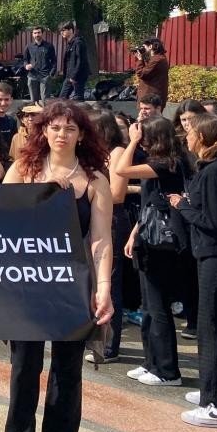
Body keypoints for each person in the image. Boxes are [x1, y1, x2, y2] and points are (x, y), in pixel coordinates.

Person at [1, 100, 114, 432]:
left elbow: (100, 240)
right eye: (55, 127)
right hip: (29, 283)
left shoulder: (95, 180)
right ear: (43, 130)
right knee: (24, 367)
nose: (61, 134)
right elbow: (1, 221)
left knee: (67, 371)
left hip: (72, 284)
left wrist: (104, 287)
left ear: (81, 135)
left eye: (70, 128)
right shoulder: (24, 168)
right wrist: (41, 189)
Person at [170, 114, 217, 429]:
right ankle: (214, 390)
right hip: (216, 256)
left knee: (211, 327)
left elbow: (212, 221)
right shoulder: (216, 168)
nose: (186, 136)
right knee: (214, 326)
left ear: (201, 137)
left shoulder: (216, 171)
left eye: (191, 132)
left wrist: (182, 205)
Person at [114, 117, 191, 387]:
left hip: (162, 243)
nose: (140, 137)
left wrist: (132, 140)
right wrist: (134, 232)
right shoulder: (163, 161)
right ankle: (152, 362)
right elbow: (151, 203)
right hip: (149, 235)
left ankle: (168, 370)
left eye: (144, 134)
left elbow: (121, 170)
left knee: (157, 306)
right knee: (149, 305)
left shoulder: (167, 163)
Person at [87, 109, 130, 365]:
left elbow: (117, 194)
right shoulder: (96, 154)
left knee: (110, 281)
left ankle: (110, 344)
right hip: (99, 219)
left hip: (113, 220)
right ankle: (95, 338)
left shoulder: (116, 153)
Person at [21, 27, 56, 104]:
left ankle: (46, 116)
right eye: (35, 33)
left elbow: (54, 61)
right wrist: (26, 65)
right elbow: (25, 59)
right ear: (32, 34)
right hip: (32, 75)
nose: (37, 34)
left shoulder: (49, 46)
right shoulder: (29, 46)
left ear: (42, 33)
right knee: (33, 101)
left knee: (45, 101)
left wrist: (51, 74)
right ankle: (34, 116)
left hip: (45, 76)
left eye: (39, 32)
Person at [58, 21, 90, 102]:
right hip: (69, 76)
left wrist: (74, 76)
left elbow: (81, 61)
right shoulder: (70, 43)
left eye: (64, 30)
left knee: (78, 99)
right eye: (61, 31)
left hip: (78, 76)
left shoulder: (78, 43)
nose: (62, 32)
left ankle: (81, 114)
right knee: (62, 99)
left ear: (71, 30)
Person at [134, 38, 170, 107]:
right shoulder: (158, 58)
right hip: (151, 99)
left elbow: (141, 74)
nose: (143, 49)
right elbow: (148, 72)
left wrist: (140, 60)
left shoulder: (157, 60)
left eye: (144, 47)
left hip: (151, 100)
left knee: (148, 118)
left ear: (150, 47)